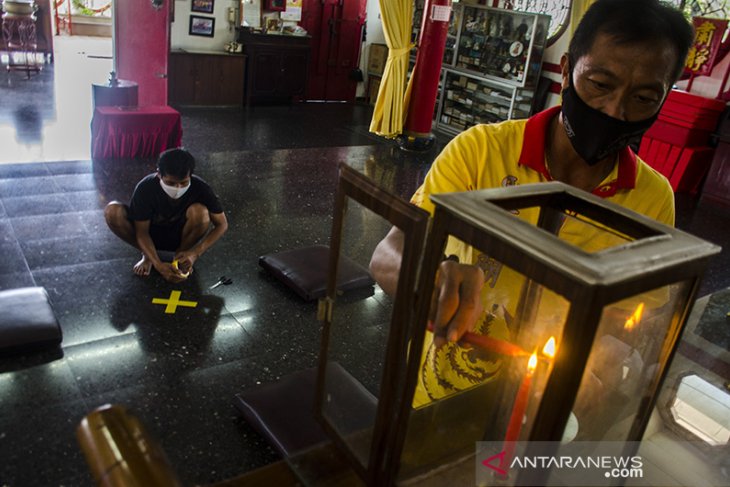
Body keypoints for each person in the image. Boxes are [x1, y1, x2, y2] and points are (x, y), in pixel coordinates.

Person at [370, 0, 694, 406]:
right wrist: (428, 280)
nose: (615, 110)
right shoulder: (481, 150)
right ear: (567, 70)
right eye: (600, 83)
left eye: (644, 98)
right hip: (435, 390)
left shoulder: (652, 198)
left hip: (541, 408)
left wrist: (606, 353)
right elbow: (387, 255)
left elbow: (632, 318)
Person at [105, 148, 228, 283]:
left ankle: (181, 256)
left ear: (191, 176)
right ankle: (147, 255)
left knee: (201, 212)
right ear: (159, 174)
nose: (177, 188)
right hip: (150, 235)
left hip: (182, 236)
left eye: (184, 183)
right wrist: (158, 265)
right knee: (113, 212)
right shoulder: (145, 188)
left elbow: (222, 224)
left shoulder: (201, 188)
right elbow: (142, 232)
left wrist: (195, 253)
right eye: (170, 183)